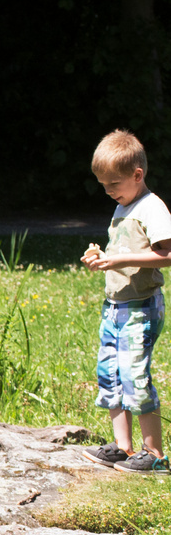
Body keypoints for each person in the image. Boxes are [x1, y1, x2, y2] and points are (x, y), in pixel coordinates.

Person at [81, 129, 171, 472]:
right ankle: (124, 448)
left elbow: (167, 253)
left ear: (138, 175)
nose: (108, 191)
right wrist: (102, 256)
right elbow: (124, 252)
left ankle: (156, 455)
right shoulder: (124, 206)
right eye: (103, 185)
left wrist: (118, 260)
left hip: (141, 307)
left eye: (114, 184)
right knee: (111, 375)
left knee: (135, 376)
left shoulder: (151, 208)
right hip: (115, 307)